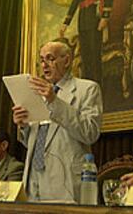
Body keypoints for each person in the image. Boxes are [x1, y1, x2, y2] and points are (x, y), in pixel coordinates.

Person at [12, 40, 103, 202]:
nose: (44, 65)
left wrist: (55, 101)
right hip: (33, 177)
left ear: (67, 61)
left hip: (66, 179)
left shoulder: (87, 89)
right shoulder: (38, 95)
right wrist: (23, 126)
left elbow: (90, 133)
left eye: (50, 58)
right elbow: (36, 142)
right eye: (41, 60)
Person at [60, 0, 114, 86]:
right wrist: (65, 23)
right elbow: (75, 0)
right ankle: (88, 88)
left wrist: (105, 16)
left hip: (95, 16)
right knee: (85, 56)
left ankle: (97, 87)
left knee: (95, 55)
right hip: (83, 18)